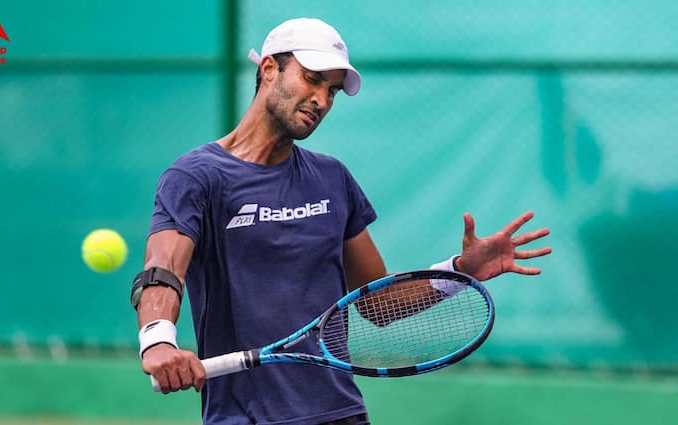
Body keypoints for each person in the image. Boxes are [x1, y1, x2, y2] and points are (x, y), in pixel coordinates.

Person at [132, 17, 552, 425]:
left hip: (340, 414)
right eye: (313, 78)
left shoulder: (332, 178)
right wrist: (157, 339)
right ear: (269, 68)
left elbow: (375, 301)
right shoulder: (195, 177)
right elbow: (164, 267)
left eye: (332, 90)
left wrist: (458, 273)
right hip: (244, 417)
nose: (322, 99)